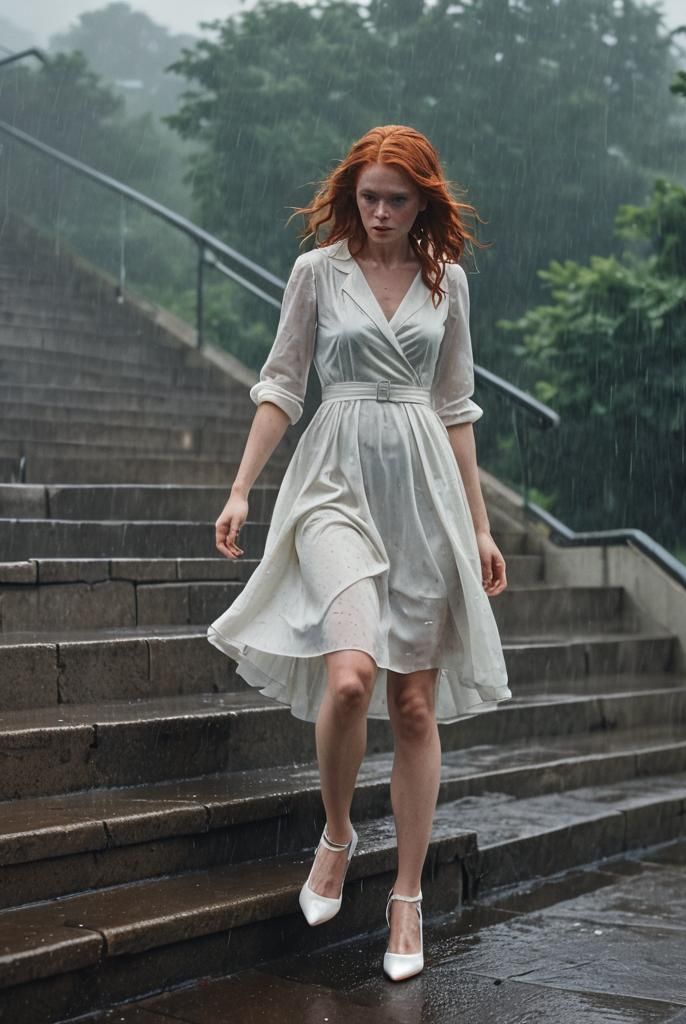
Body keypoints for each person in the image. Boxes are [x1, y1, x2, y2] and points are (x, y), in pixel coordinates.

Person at [209, 124, 510, 982]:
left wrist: (481, 527)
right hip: (333, 485)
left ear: (423, 202)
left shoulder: (446, 282)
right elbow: (282, 383)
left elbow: (457, 409)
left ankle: (406, 895)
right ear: (353, 194)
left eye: (397, 199)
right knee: (350, 677)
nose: (380, 212)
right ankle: (338, 831)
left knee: (414, 705)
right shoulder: (317, 273)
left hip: (423, 495)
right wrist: (241, 490)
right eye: (370, 196)